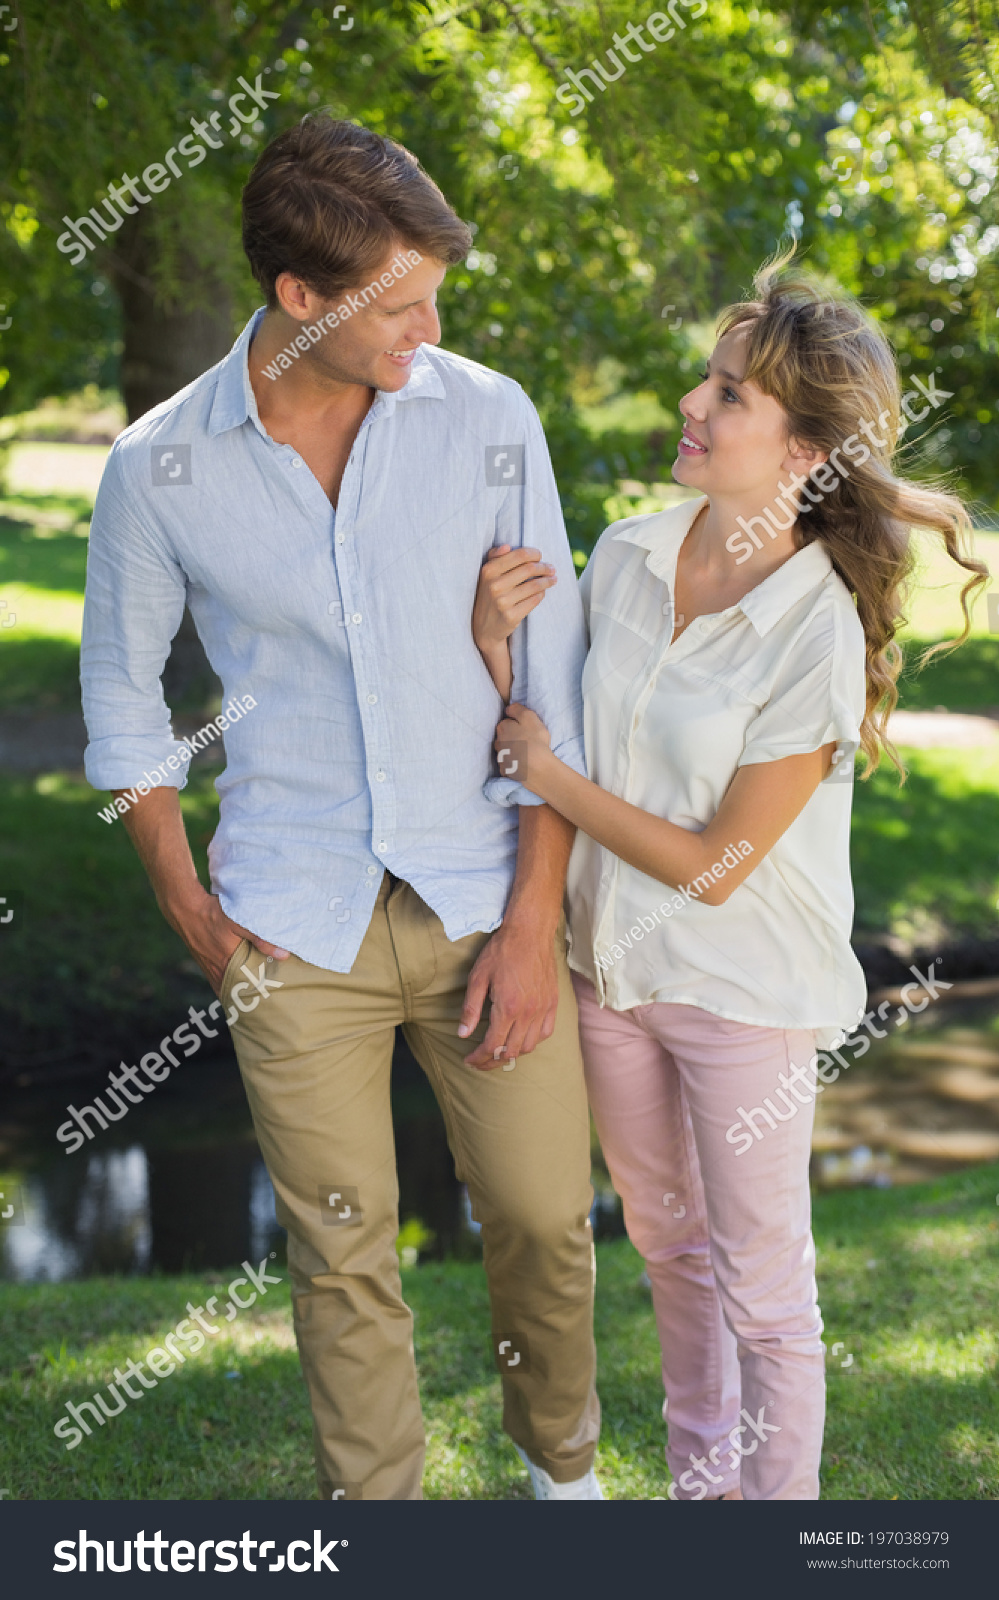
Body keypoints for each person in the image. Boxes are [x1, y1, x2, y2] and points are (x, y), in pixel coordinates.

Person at [80, 114, 603, 1501]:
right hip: (288, 916)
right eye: (403, 302)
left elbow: (552, 674)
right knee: (341, 1243)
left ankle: (565, 1481)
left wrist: (538, 916)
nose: (433, 325)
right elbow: (125, 705)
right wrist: (188, 904)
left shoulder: (485, 416)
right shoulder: (158, 469)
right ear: (299, 298)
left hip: (485, 890)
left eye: (437, 293)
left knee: (547, 1218)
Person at [472, 258, 987, 1499]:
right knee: (668, 1254)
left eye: (730, 397)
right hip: (610, 971)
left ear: (805, 450)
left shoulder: (817, 629)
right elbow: (546, 729)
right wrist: (497, 644)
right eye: (707, 379)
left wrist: (551, 772)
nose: (692, 406)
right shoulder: (631, 552)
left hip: (742, 990)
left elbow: (713, 866)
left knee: (764, 1292)